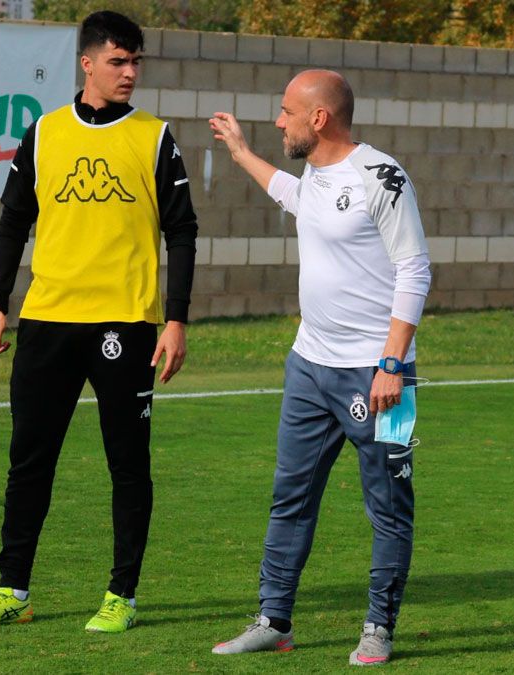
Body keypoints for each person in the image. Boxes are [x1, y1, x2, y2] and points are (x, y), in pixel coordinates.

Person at [0, 10, 198, 633]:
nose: (129, 73)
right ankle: (12, 589)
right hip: (47, 321)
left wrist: (176, 320)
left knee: (128, 463)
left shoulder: (155, 135)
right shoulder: (43, 134)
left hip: (125, 323)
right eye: (118, 62)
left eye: (136, 62)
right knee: (29, 460)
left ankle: (122, 594)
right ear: (87, 63)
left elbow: (182, 231)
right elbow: (13, 221)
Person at [207, 69, 431, 667]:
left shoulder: (382, 176)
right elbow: (295, 196)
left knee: (389, 506)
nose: (279, 120)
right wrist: (241, 153)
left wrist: (391, 364)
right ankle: (273, 620)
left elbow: (415, 270)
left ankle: (379, 628)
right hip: (309, 368)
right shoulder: (315, 173)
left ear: (319, 119)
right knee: (290, 496)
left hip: (383, 377)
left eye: (285, 111)